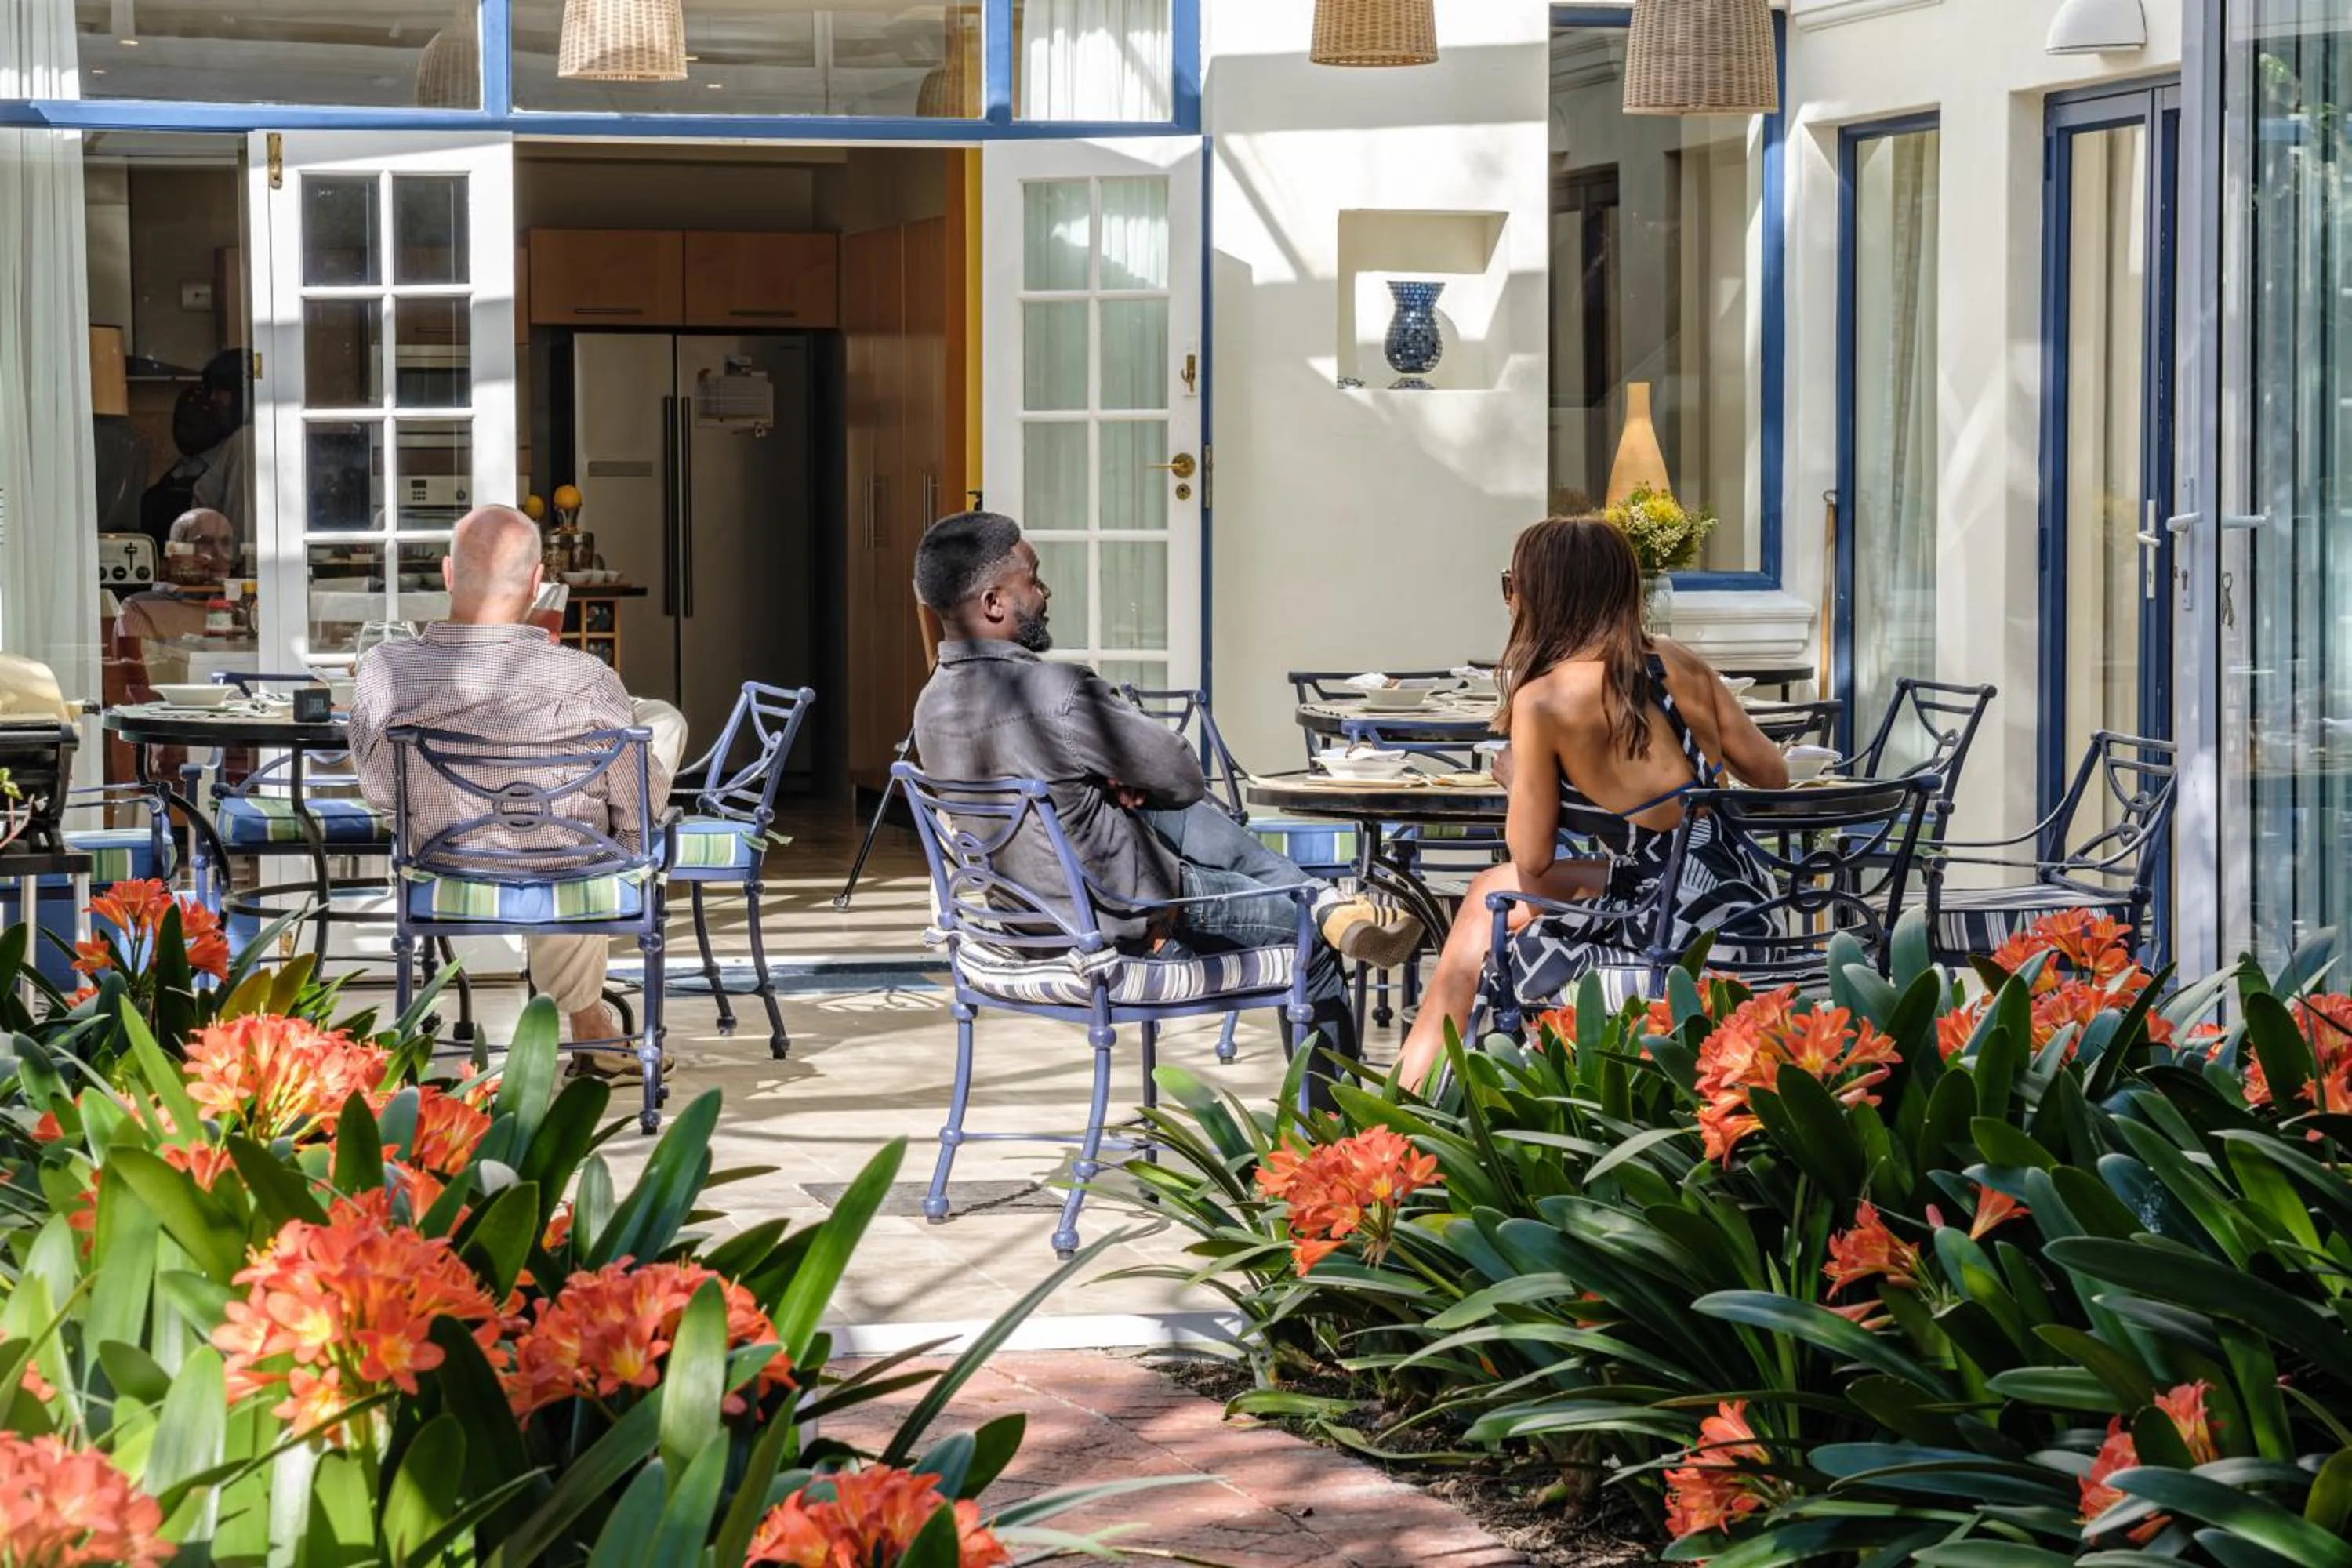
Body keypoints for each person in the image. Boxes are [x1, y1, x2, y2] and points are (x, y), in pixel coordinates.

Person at [909, 511, 1423, 1097]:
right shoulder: (1058, 693)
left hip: (1032, 932)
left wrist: (1106, 783)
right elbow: (1181, 773)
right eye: (1034, 579)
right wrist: (1127, 778)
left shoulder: (931, 706)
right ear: (994, 602)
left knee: (1161, 811)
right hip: (1133, 927)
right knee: (1311, 939)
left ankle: (1328, 899)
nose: (1045, 593)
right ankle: (1335, 1131)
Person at [1392, 516, 1789, 1090]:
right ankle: (1416, 1084)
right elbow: (1773, 774)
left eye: (1512, 585)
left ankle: (1413, 1096)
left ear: (1546, 596)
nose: (1510, 600)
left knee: (1489, 910)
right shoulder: (1678, 661)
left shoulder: (1546, 700)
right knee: (1486, 892)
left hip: (1676, 941)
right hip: (1749, 907)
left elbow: (1533, 860)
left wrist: (1517, 782)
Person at [347, 506, 689, 1077]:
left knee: (588, 816)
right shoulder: (586, 677)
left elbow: (380, 792)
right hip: (568, 869)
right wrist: (629, 843)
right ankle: (591, 1027)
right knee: (636, 766)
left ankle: (591, 1025)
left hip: (442, 872)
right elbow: (634, 809)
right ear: (537, 583)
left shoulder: (385, 671)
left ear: (448, 575)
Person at [115, 507, 237, 660]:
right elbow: (140, 670)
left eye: (226, 543)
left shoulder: (241, 606)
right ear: (175, 551)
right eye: (205, 543)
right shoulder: (140, 608)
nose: (219, 554)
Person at [191, 349, 252, 538]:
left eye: (220, 389)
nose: (212, 398)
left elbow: (238, 515)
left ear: (241, 392)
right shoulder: (236, 441)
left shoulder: (247, 441)